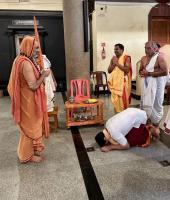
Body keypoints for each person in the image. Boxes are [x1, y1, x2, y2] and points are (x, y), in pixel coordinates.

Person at [8, 35, 50, 163]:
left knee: (33, 125)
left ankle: (33, 149)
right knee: (30, 127)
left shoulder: (22, 59)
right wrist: (44, 74)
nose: (38, 50)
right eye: (36, 48)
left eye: (38, 47)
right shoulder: (25, 63)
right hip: (28, 101)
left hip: (28, 99)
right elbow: (33, 86)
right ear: (28, 47)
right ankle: (25, 155)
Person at [95, 108, 159, 152]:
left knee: (132, 142)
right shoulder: (107, 124)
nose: (108, 143)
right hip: (133, 111)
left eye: (107, 143)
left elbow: (126, 146)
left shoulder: (114, 133)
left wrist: (110, 147)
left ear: (105, 139)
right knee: (125, 137)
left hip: (140, 117)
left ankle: (151, 130)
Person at [139, 41, 168, 132]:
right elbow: (140, 70)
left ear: (155, 48)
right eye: (145, 48)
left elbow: (165, 72)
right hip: (146, 85)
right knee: (145, 104)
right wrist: (142, 73)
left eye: (148, 48)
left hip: (157, 85)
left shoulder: (160, 57)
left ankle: (156, 126)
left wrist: (149, 73)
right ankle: (148, 126)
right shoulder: (143, 58)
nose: (146, 50)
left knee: (157, 105)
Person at [108, 43, 132, 113]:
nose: (115, 51)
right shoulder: (113, 58)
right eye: (114, 49)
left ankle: (124, 119)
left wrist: (117, 64)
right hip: (115, 83)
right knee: (116, 103)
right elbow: (109, 70)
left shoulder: (126, 58)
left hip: (123, 84)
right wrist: (114, 63)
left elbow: (127, 70)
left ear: (122, 50)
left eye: (117, 49)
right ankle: (117, 117)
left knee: (123, 102)